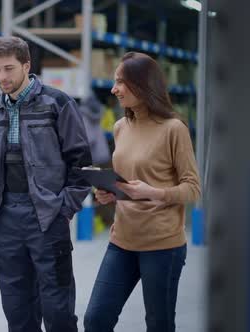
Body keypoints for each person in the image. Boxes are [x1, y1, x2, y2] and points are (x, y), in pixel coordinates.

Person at [0, 36, 92, 332]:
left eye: (8, 68)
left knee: (57, 308)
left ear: (26, 66)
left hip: (47, 214)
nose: (2, 77)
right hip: (6, 217)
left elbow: (80, 162)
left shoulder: (57, 103)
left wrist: (64, 208)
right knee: (16, 308)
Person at [84, 52, 201, 332]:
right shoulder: (121, 127)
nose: (114, 89)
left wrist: (153, 192)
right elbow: (129, 183)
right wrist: (111, 193)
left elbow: (193, 188)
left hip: (162, 245)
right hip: (122, 239)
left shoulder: (174, 129)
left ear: (143, 84)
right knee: (96, 319)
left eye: (121, 82)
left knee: (158, 324)